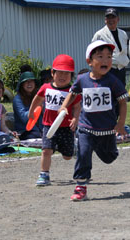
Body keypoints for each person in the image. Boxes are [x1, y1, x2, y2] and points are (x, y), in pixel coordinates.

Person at [59, 40, 128, 202]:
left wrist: (120, 123)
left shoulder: (112, 81)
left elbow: (123, 102)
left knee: (109, 157)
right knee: (83, 153)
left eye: (109, 57)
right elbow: (73, 93)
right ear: (89, 61)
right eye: (100, 56)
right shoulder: (82, 79)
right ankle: (80, 186)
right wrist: (63, 106)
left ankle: (97, 147)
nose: (105, 60)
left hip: (107, 129)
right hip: (86, 127)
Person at [28, 54, 81, 187]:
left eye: (67, 74)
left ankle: (73, 149)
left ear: (72, 75)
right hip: (48, 126)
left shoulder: (72, 91)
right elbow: (37, 100)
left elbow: (76, 106)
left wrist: (75, 118)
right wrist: (31, 112)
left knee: (67, 156)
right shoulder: (46, 88)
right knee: (46, 150)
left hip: (66, 128)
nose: (63, 76)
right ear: (52, 73)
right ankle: (44, 174)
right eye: (59, 73)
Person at [91, 8, 130, 88]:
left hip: (121, 68)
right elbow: (92, 53)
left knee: (121, 93)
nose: (111, 20)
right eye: (108, 18)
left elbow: (125, 51)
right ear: (105, 20)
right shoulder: (99, 34)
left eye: (113, 17)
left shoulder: (123, 34)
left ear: (118, 19)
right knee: (108, 92)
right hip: (107, 69)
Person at [13, 71, 42, 139]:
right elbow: (24, 118)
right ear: (22, 84)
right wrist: (36, 106)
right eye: (26, 81)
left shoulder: (38, 96)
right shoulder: (17, 99)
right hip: (24, 132)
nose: (29, 84)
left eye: (32, 81)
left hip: (39, 130)